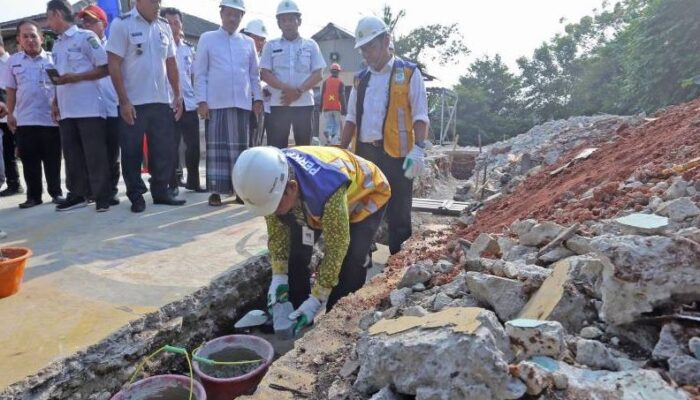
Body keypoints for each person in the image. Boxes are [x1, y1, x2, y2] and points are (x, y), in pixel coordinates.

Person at [232, 146, 390, 332]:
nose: (273, 213)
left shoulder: (326, 191)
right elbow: (278, 234)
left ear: (291, 188)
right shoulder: (271, 176)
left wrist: (316, 300)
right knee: (297, 252)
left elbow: (336, 247)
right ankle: (296, 312)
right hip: (315, 197)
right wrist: (279, 276)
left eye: (275, 206)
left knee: (352, 259)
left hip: (367, 193)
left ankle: (338, 321)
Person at [340, 16, 429, 255]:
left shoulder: (409, 73)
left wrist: (419, 148)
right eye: (363, 48)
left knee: (399, 213)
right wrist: (339, 150)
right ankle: (361, 259)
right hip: (366, 155)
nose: (365, 53)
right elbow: (351, 118)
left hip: (398, 156)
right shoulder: (361, 79)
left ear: (386, 41)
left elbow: (420, 115)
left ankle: (399, 266)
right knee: (363, 210)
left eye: (370, 46)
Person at [106, 0, 185, 213]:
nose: (157, 4)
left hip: (160, 101)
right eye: (153, 1)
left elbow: (171, 63)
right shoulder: (122, 24)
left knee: (163, 150)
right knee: (131, 152)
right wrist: (123, 100)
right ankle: (136, 196)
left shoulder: (164, 26)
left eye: (159, 1)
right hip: (133, 103)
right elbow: (113, 63)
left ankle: (160, 191)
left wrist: (177, 94)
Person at [194, 0, 262, 207]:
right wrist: (201, 101)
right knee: (216, 150)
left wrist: (257, 98)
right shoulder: (207, 38)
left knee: (241, 151)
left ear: (242, 17)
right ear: (221, 14)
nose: (233, 18)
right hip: (215, 104)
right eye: (229, 13)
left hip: (241, 104)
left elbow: (254, 75)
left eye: (237, 14)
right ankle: (215, 191)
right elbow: (200, 72)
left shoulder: (247, 42)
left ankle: (241, 191)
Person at [47, 0, 112, 212]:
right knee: (72, 156)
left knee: (95, 155)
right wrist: (55, 102)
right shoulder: (57, 44)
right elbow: (59, 77)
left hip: (89, 107)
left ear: (57, 14)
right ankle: (77, 195)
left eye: (48, 17)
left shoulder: (86, 37)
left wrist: (77, 77)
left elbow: (104, 68)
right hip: (67, 109)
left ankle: (102, 197)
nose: (48, 23)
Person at [4, 20, 65, 209]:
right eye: (25, 36)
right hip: (25, 119)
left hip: (50, 119)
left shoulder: (53, 59)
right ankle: (33, 196)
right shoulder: (13, 62)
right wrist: (10, 114)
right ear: (18, 40)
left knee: (53, 160)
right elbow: (11, 90)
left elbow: (61, 87)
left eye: (33, 35)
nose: (30, 39)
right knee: (29, 161)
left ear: (42, 38)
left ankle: (56, 193)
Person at [259, 0, 325, 149]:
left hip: (304, 104)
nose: (288, 23)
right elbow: (264, 74)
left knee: (305, 149)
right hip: (278, 103)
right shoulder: (270, 45)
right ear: (279, 24)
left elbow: (319, 73)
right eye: (283, 20)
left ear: (299, 21)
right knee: (276, 149)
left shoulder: (311, 45)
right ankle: (278, 174)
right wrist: (286, 89)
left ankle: (301, 174)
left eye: (291, 19)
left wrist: (298, 91)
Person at [77, 4, 121, 206]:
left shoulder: (114, 46)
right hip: (89, 109)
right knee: (92, 154)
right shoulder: (79, 46)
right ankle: (93, 191)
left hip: (112, 107)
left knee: (111, 154)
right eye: (84, 21)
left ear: (103, 24)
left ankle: (110, 191)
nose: (86, 24)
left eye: (91, 21)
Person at [161, 7, 204, 194]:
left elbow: (195, 76)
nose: (172, 26)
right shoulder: (159, 47)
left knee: (193, 145)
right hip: (169, 102)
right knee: (170, 145)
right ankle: (172, 183)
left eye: (175, 22)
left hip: (189, 102)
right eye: (168, 23)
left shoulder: (188, 48)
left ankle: (193, 181)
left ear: (181, 25)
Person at [0, 35, 24, 198]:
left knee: (25, 151)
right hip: (2, 116)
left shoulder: (12, 62)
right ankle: (13, 183)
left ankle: (37, 188)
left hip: (17, 114)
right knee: (7, 152)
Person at [242, 19, 269, 147]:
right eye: (256, 38)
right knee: (245, 140)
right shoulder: (240, 55)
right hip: (244, 103)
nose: (259, 42)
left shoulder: (263, 57)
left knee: (256, 141)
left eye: (262, 39)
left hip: (259, 103)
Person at [320, 63, 346, 145]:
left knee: (329, 123)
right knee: (336, 125)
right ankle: (333, 142)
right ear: (339, 72)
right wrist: (344, 109)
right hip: (336, 108)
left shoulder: (325, 82)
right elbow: (342, 96)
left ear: (331, 71)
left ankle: (328, 135)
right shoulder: (340, 83)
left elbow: (322, 95)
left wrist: (320, 107)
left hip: (326, 107)